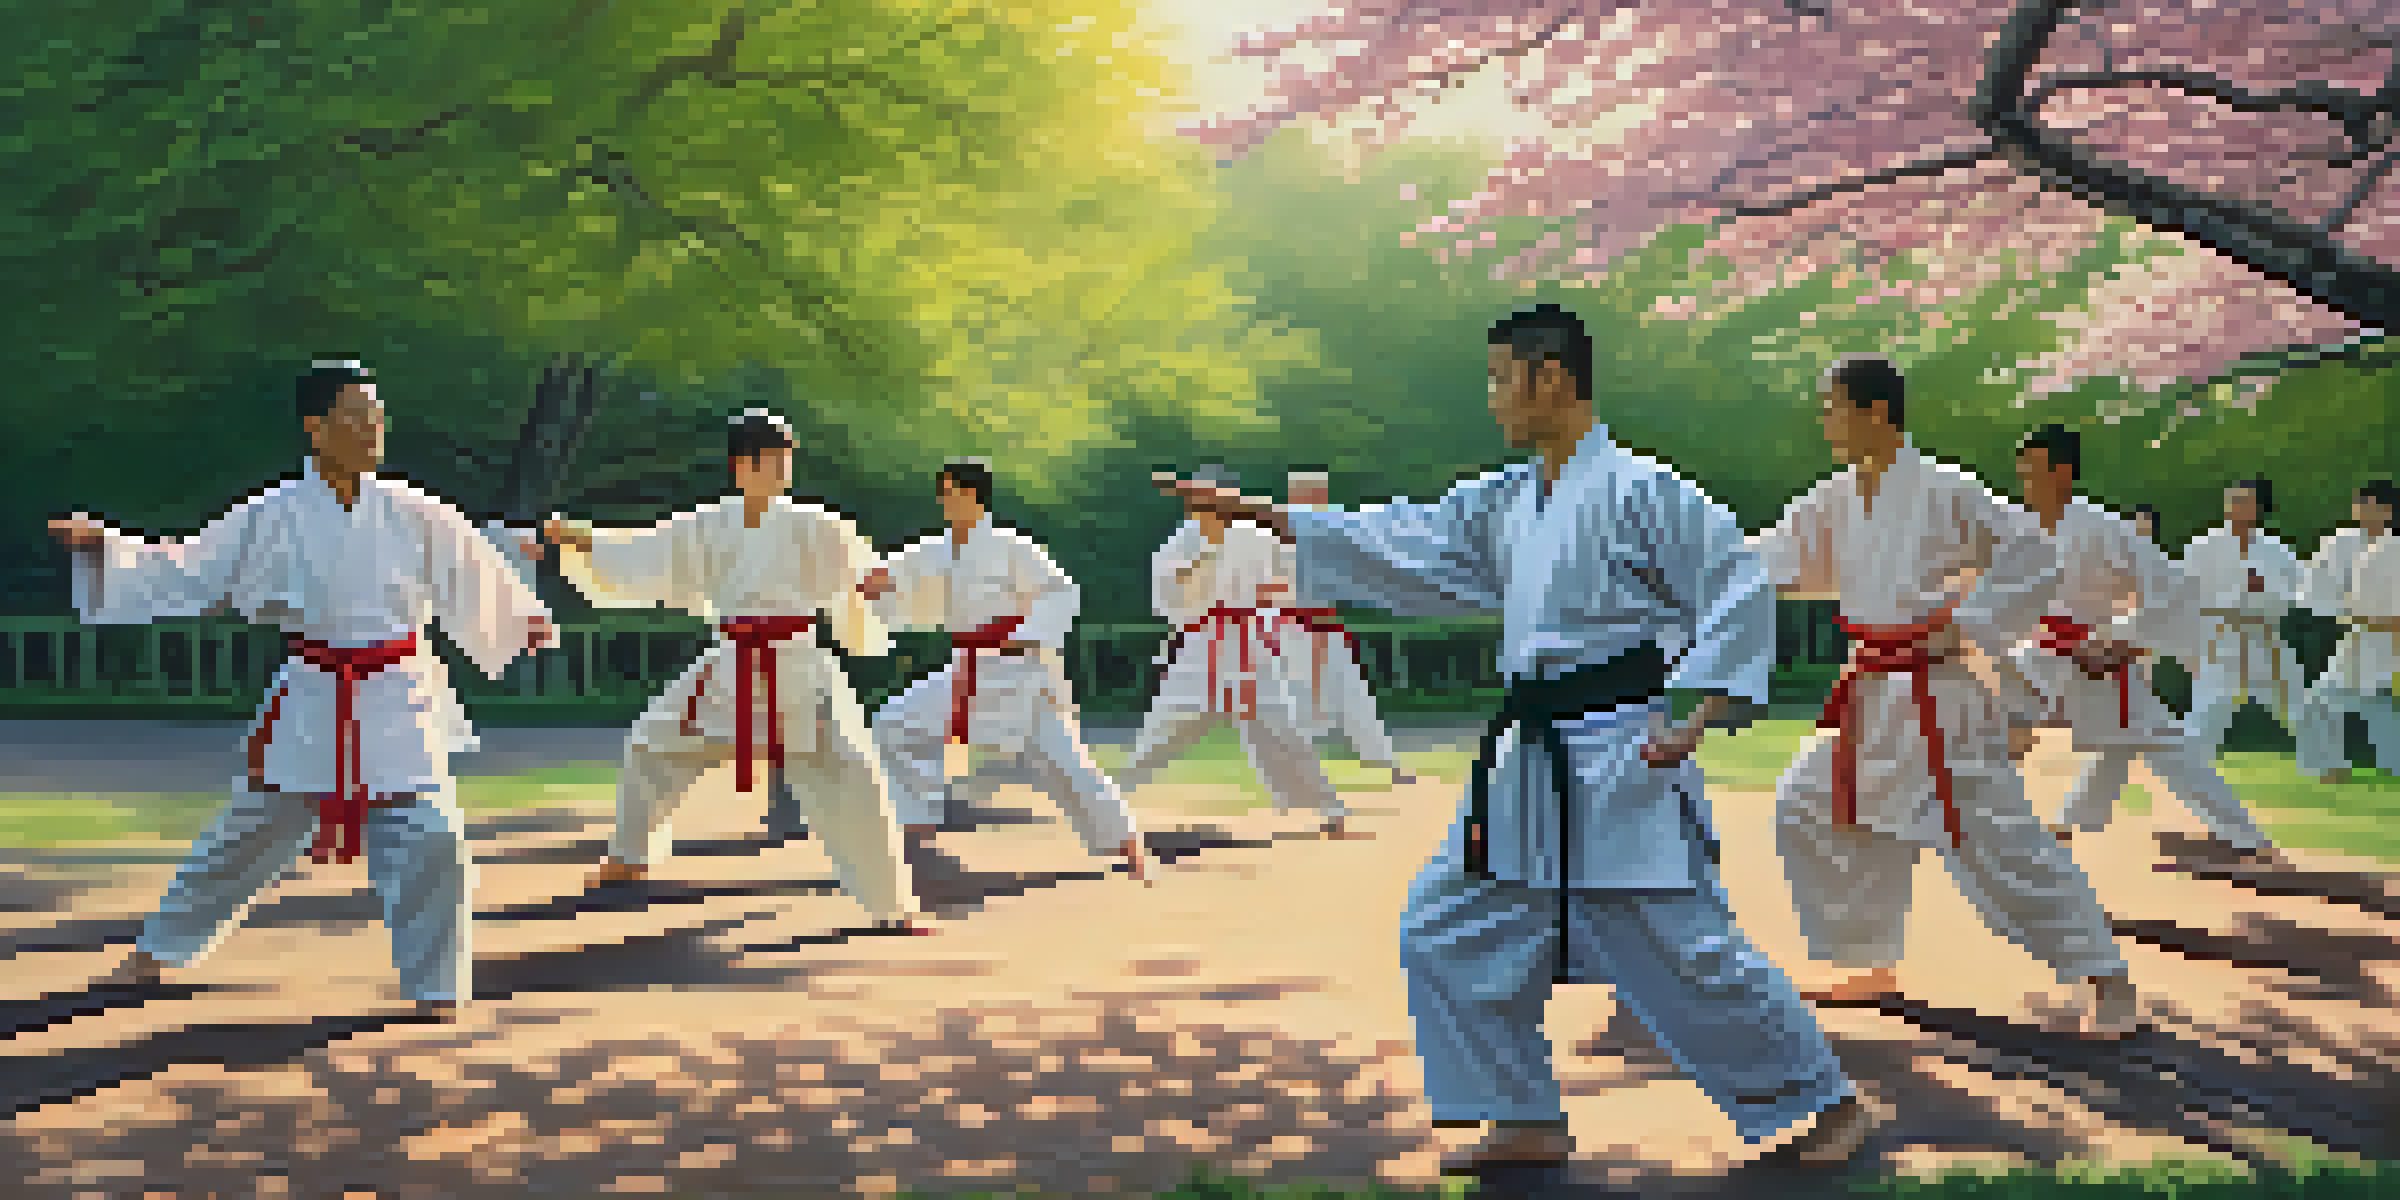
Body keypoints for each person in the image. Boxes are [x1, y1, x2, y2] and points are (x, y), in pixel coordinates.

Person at [1164, 304, 1877, 1171]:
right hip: (1530, 756)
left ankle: (1824, 1105)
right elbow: (1401, 540)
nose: (1494, 397)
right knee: (1446, 926)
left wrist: (1698, 711)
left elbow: (1735, 590)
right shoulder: (1507, 500)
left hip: (1620, 750)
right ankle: (1522, 1113)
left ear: (1552, 376)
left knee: (1680, 947)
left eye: (1503, 377)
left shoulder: (1644, 489)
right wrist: (1262, 514)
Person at [50, 359, 554, 1018]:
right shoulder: (273, 513)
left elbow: (473, 567)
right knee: (248, 833)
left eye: (378, 415)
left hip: (398, 692)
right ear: (316, 427)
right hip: (316, 691)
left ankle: (436, 987)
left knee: (432, 835)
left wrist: (521, 618)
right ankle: (160, 950)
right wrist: (106, 549)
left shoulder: (413, 510)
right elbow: (189, 567)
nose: (374, 428)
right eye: (357, 415)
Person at [1753, 358, 2136, 1037]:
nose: (1826, 420)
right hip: (1872, 692)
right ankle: (1868, 961)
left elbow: (2033, 558)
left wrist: (1964, 627)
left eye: (1834, 407)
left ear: (1876, 413)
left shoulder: (1946, 489)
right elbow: (1775, 559)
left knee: (2001, 843)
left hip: (1942, 698)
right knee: (1812, 802)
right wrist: (1680, 568)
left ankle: (2107, 978)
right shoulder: (1834, 499)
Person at [540, 410, 925, 932]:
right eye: (773, 459)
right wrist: (579, 538)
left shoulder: (816, 523)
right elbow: (645, 551)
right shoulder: (708, 521)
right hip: (730, 668)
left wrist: (873, 583)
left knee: (854, 772)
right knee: (651, 742)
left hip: (798, 668)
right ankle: (631, 854)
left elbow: (860, 570)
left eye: (788, 459)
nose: (784, 469)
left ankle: (893, 906)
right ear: (741, 465)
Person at [864, 459, 1149, 881]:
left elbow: (1060, 593)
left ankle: (1126, 843)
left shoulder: (1013, 546)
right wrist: (875, 587)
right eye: (943, 493)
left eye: (956, 493)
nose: (948, 501)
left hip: (1020, 676)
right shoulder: (932, 549)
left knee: (1064, 763)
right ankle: (916, 824)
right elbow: (896, 583)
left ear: (977, 497)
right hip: (967, 668)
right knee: (892, 723)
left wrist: (1027, 634)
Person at [2006, 427, 2279, 864]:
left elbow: (2168, 590)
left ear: (2062, 472)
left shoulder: (2103, 528)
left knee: (2159, 743)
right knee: (2000, 702)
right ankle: (2011, 818)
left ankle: (2248, 837)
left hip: (2101, 651)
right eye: (2021, 469)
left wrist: (2121, 642)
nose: (2023, 478)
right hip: (2045, 648)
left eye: (2033, 469)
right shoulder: (2015, 526)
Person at [1121, 465, 1350, 837]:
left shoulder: (1259, 536)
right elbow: (1166, 597)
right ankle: (1112, 807)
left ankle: (1329, 808)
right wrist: (1204, 556)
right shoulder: (1183, 540)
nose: (1202, 507)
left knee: (1281, 729)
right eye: (1198, 500)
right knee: (1162, 730)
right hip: (1201, 645)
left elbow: (1293, 579)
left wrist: (1271, 596)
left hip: (1252, 644)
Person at [1273, 469, 1415, 787]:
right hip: (1292, 629)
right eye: (1313, 494)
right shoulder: (1277, 537)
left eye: (1320, 493)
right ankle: (1294, 772)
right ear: (1298, 497)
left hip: (1325, 627)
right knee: (1295, 701)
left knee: (1355, 695)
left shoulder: (1326, 535)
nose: (1320, 499)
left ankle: (1387, 764)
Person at [2180, 479, 2307, 758]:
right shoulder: (2204, 546)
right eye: (2232, 501)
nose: (2235, 508)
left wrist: (2264, 588)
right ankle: (2188, 769)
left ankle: (2327, 765)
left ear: (2258, 509)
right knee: (2207, 709)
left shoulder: (2278, 551)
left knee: (2298, 705)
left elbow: (2298, 594)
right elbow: (2187, 595)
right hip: (2220, 636)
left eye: (2243, 502)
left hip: (2265, 636)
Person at [2296, 479, 2400, 783]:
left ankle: (2339, 767)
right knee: (2324, 702)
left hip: (2386, 641)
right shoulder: (2341, 541)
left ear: (2387, 511)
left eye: (2368, 506)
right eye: (2358, 505)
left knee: (2376, 707)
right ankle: (2331, 768)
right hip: (2358, 640)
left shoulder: (2394, 548)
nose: (2360, 511)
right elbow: (2317, 591)